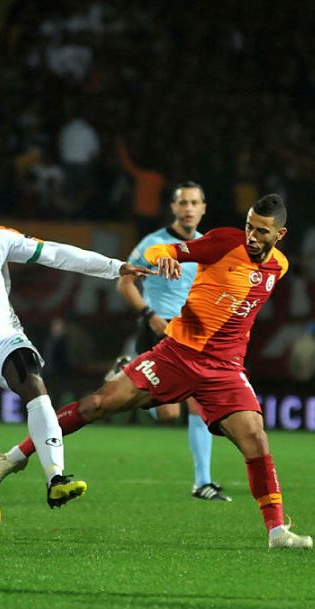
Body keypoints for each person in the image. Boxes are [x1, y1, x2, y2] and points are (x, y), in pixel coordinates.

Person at [0, 194, 313, 550]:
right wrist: (165, 257)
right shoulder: (223, 242)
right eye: (249, 226)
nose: (252, 236)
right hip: (177, 355)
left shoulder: (279, 267)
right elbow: (161, 251)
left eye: (261, 231)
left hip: (225, 369)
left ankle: (277, 532)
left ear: (279, 235)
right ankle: (13, 458)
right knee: (97, 405)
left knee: (256, 440)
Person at [0, 186, 156, 506]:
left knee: (33, 383)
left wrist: (114, 267)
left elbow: (55, 253)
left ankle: (56, 478)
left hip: (3, 337)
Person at [113, 181, 227, 501]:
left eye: (194, 203)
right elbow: (124, 284)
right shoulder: (154, 244)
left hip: (191, 334)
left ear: (203, 208)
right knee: (168, 415)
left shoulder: (207, 246)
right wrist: (149, 314)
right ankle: (126, 369)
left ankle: (202, 482)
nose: (189, 208)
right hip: (158, 328)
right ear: (174, 207)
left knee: (199, 403)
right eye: (183, 203)